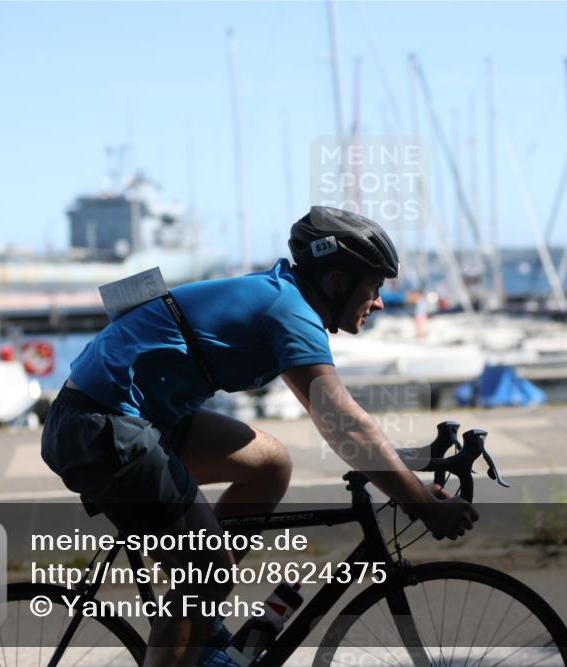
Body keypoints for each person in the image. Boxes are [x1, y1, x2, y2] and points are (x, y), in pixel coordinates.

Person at [40, 206, 479, 667]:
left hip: (130, 417)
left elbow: (344, 421)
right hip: (99, 426)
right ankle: (194, 613)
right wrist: (422, 505)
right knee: (206, 572)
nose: (380, 301)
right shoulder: (288, 310)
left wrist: (406, 482)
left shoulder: (284, 300)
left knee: (270, 463)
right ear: (335, 282)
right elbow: (342, 422)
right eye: (374, 286)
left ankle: (198, 628)